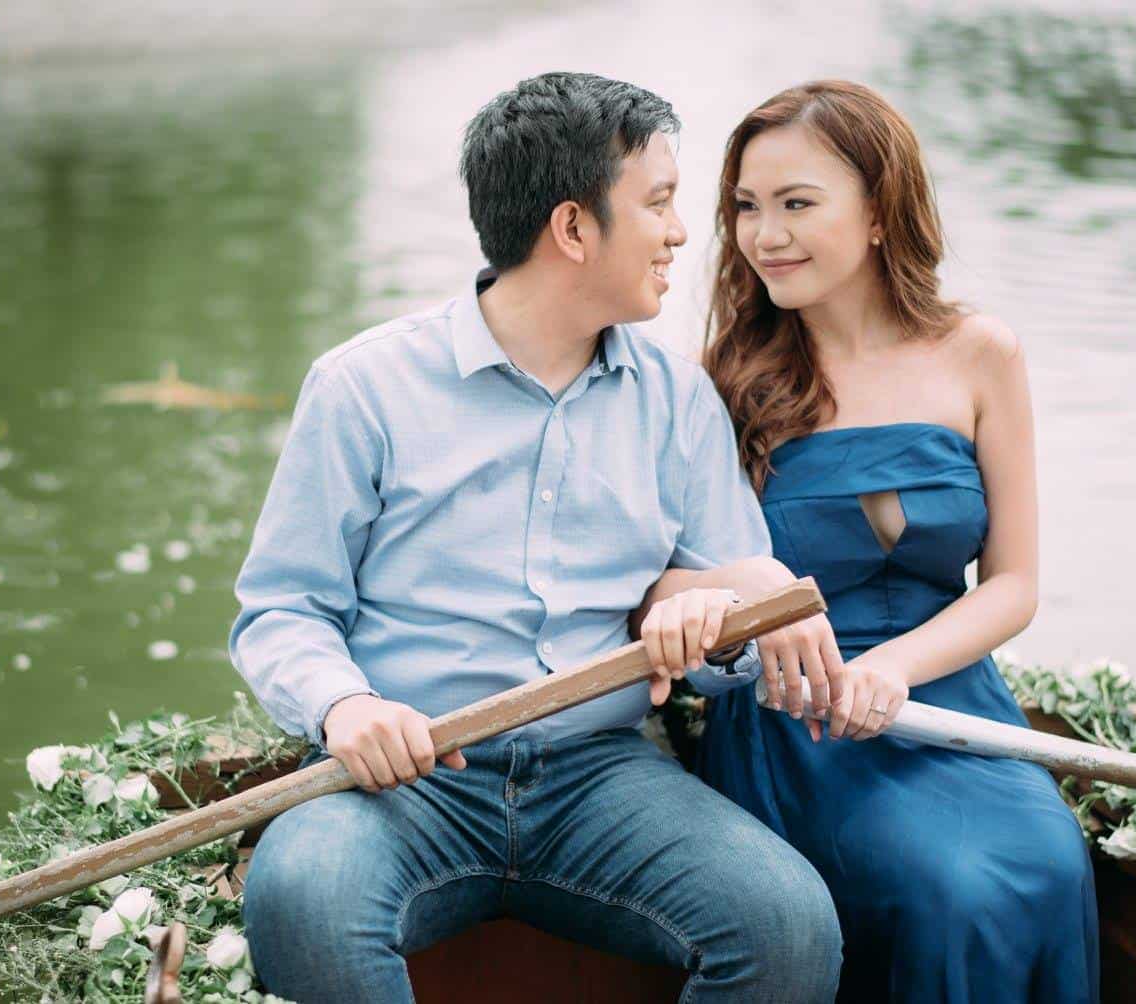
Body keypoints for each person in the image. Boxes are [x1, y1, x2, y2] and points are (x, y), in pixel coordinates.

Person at [227, 72, 843, 1003]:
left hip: (602, 777)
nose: (681, 232)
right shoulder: (363, 387)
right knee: (304, 895)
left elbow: (732, 633)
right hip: (407, 781)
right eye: (659, 203)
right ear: (573, 229)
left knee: (786, 923)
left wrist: (716, 629)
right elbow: (281, 609)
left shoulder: (678, 400)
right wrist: (346, 708)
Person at [654, 79, 1098, 1002]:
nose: (764, 235)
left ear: (879, 213)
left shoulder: (981, 353)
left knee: (1050, 861)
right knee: (950, 888)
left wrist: (893, 669)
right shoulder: (719, 382)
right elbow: (667, 585)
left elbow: (1013, 584)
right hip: (799, 714)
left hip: (950, 697)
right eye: (746, 206)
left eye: (796, 204)